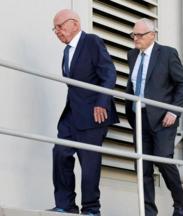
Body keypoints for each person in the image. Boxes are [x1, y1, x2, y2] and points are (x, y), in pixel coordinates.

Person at [50, 9, 119, 216]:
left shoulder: (92, 41)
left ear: (75, 24)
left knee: (89, 163)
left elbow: (109, 73)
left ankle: (91, 208)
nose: (57, 32)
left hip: (93, 113)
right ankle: (66, 205)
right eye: (55, 28)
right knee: (60, 153)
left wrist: (101, 103)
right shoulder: (66, 51)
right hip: (71, 114)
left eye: (60, 27)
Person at [125, 18, 183, 216]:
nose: (135, 38)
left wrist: (173, 111)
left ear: (152, 35)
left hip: (163, 118)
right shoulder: (131, 55)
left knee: (163, 160)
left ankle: (179, 201)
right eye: (133, 35)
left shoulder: (167, 54)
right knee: (142, 167)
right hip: (139, 117)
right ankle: (149, 212)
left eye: (139, 35)